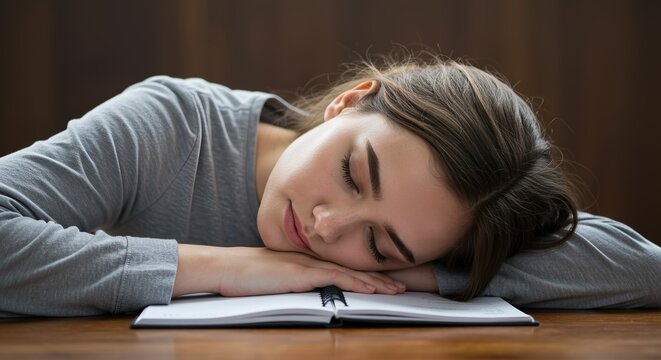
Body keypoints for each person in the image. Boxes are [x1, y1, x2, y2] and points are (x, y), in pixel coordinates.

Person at [0, 54, 659, 317]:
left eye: (380, 245)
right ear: (349, 102)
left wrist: (439, 274)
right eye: (352, 173)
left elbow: (640, 271)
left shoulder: (436, 243)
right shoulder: (172, 126)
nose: (325, 226)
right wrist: (225, 269)